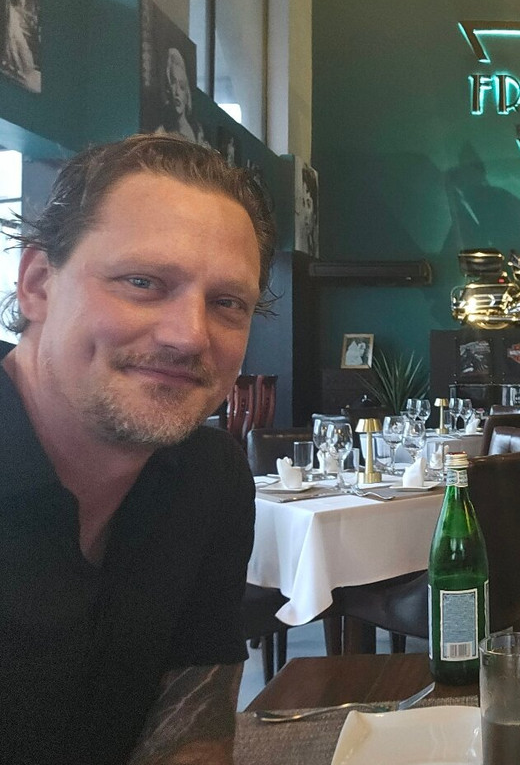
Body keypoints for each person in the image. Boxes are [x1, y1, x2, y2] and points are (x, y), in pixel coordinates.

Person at [0, 134, 275, 764]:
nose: (190, 336)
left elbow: (190, 725)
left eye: (227, 303)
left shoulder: (212, 478)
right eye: (143, 282)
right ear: (37, 283)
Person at [155, 47, 205, 145]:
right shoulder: (160, 134)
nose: (177, 92)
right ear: (168, 89)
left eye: (182, 86)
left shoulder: (198, 132)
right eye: (173, 84)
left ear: (187, 93)